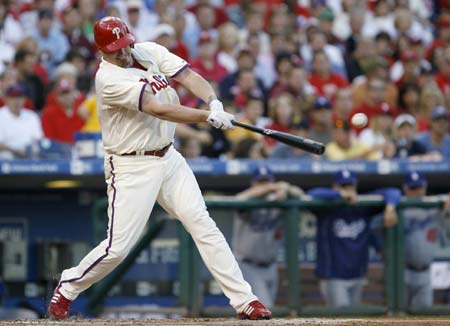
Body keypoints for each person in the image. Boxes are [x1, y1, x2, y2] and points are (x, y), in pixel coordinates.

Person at [47, 16, 271, 321]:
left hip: (168, 157)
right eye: (115, 49)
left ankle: (245, 300)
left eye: (124, 45)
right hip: (131, 164)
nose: (123, 53)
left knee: (202, 223)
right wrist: (206, 118)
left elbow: (188, 75)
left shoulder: (147, 50)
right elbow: (158, 107)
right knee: (117, 248)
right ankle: (69, 286)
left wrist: (213, 101)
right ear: (102, 50)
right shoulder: (108, 79)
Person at [306, 170, 400, 307]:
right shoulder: (326, 207)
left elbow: (393, 191)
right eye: (343, 186)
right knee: (342, 317)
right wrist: (339, 194)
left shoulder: (362, 205)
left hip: (358, 276)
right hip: (333, 277)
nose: (348, 189)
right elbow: (310, 194)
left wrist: (390, 208)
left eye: (350, 186)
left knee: (354, 316)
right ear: (335, 186)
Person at [232, 165, 303, 308]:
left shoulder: (278, 200)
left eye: (267, 182)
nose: (264, 186)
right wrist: (270, 188)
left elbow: (302, 196)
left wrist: (285, 188)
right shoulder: (247, 199)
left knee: (263, 312)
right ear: (253, 184)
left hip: (270, 266)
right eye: (261, 182)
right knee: (266, 308)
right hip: (247, 265)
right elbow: (238, 199)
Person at [401, 171, 450, 308]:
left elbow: (445, 236)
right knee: (398, 316)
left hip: (426, 273)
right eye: (413, 188)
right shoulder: (398, 209)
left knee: (423, 316)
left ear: (425, 187)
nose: (417, 192)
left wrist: (446, 211)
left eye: (420, 188)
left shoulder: (433, 208)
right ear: (405, 189)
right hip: (402, 272)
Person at [0, 84, 43, 159]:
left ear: (24, 99)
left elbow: (39, 140)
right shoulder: (1, 115)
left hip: (30, 155)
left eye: (19, 97)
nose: (17, 101)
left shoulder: (32, 116)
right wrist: (16, 151)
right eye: (13, 97)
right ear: (6, 99)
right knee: (6, 155)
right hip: (7, 157)